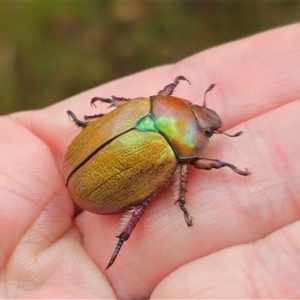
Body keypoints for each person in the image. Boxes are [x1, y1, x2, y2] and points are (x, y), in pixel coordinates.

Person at [1, 23, 299, 299]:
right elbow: (191, 166)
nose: (205, 122)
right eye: (204, 123)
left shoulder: (145, 109)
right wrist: (219, 170)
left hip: (84, 172)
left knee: (131, 131)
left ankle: (87, 129)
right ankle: (121, 237)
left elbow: (135, 107)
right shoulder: (174, 150)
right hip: (89, 178)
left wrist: (222, 164)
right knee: (141, 203)